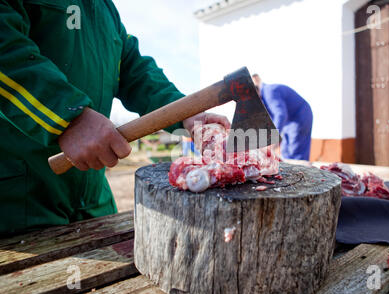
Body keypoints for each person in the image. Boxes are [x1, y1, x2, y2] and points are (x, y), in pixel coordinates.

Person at [0, 1, 229, 236]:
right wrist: (69, 117)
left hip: (93, 201)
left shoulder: (103, 8)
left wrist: (185, 112)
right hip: (19, 201)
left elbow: (134, 68)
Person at [252, 74, 313, 161]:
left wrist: (273, 137)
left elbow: (280, 115)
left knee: (295, 150)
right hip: (289, 121)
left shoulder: (269, 92)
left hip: (299, 117)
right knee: (285, 151)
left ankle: (301, 173)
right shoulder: (264, 99)